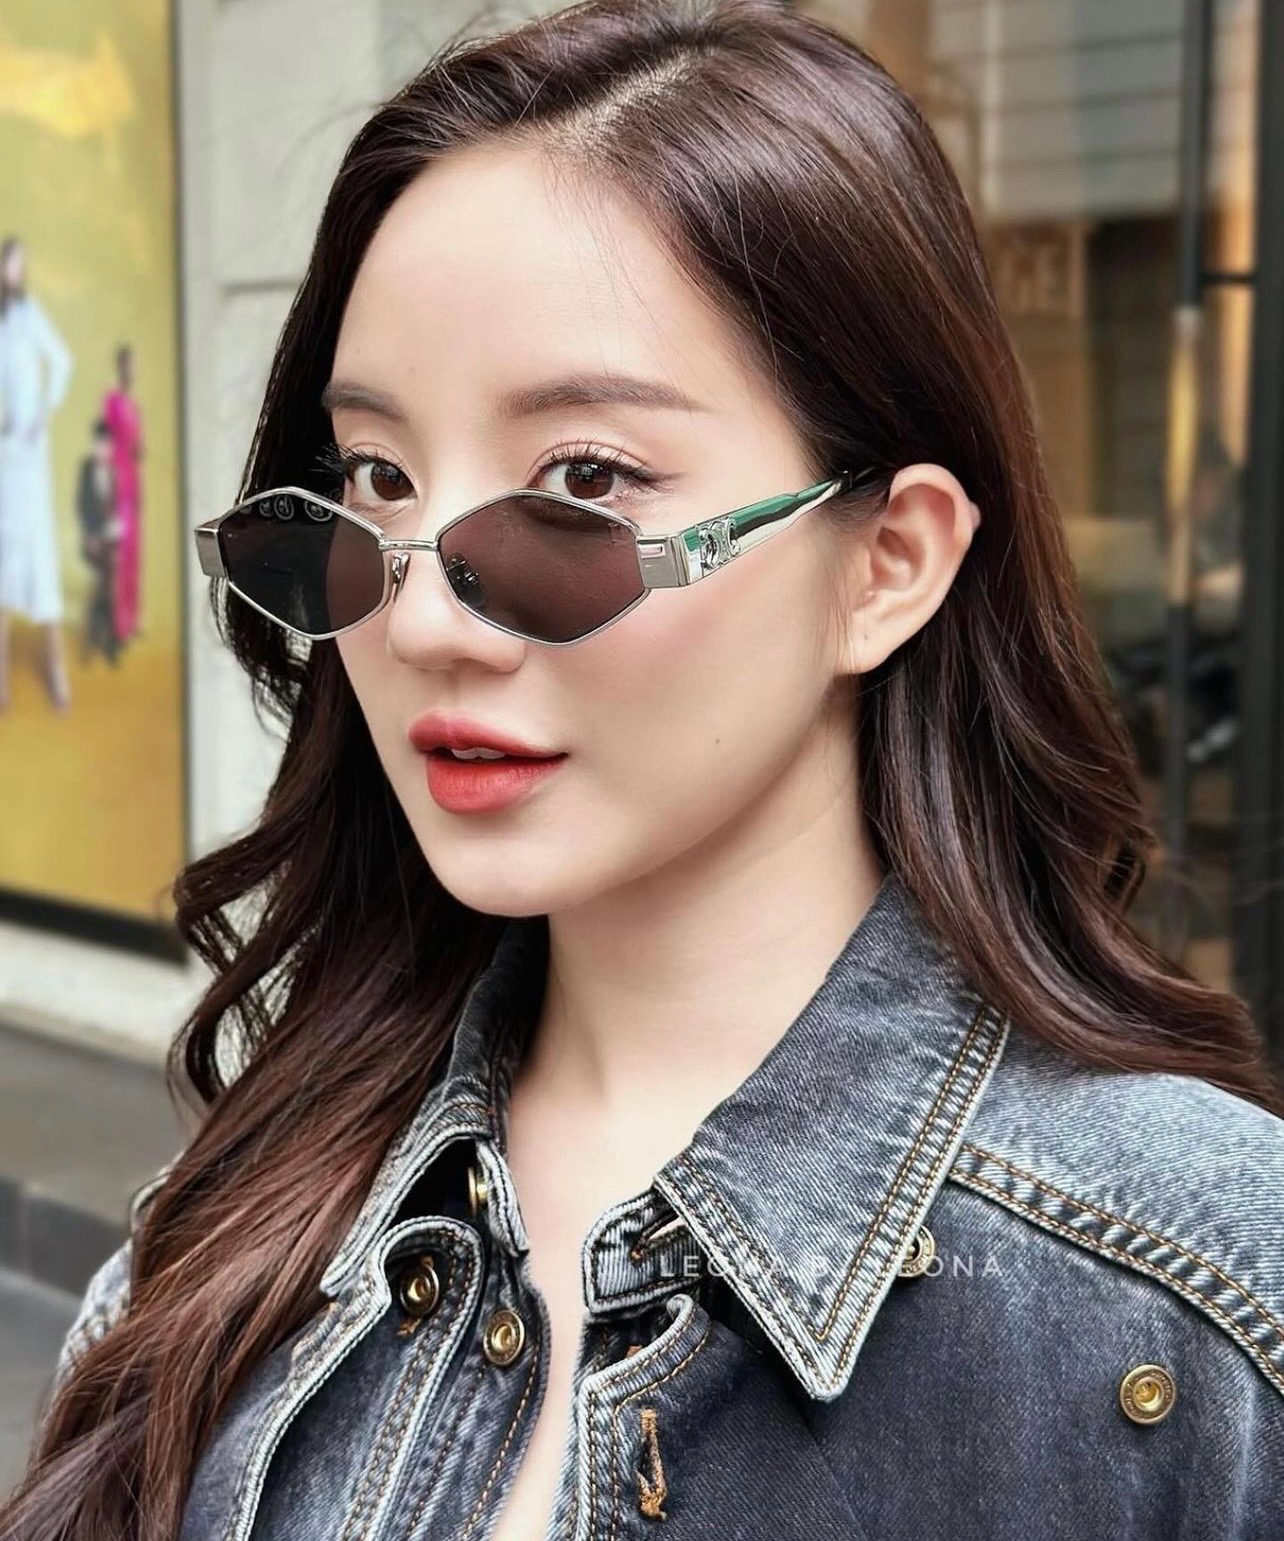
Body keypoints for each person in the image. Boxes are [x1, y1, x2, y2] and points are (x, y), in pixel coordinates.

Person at [8, 2, 1284, 1537]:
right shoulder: (233, 1230)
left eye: (585, 481)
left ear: (888, 561)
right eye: (378, 476)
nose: (423, 620)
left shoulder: (1201, 1306)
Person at [0, 235, 74, 712]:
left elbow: (62, 361)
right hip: (4, 454)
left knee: (40, 551)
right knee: (4, 552)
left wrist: (44, 410)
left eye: (20, 266)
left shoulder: (30, 316)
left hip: (31, 452)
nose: (16, 273)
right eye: (11, 265)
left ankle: (56, 670)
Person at [102, 341, 144, 649]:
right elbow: (107, 444)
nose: (132, 370)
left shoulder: (134, 406)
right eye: (128, 364)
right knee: (119, 557)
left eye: (134, 365)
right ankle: (118, 622)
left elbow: (136, 446)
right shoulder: (113, 402)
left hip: (133, 483)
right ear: (120, 367)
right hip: (117, 484)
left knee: (133, 556)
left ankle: (132, 619)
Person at [75, 416, 121, 667]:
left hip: (113, 540)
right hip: (93, 541)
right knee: (107, 583)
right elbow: (81, 506)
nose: (103, 449)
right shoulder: (86, 470)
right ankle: (101, 638)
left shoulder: (116, 472)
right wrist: (91, 535)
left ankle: (102, 638)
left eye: (107, 444)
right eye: (99, 444)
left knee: (111, 583)